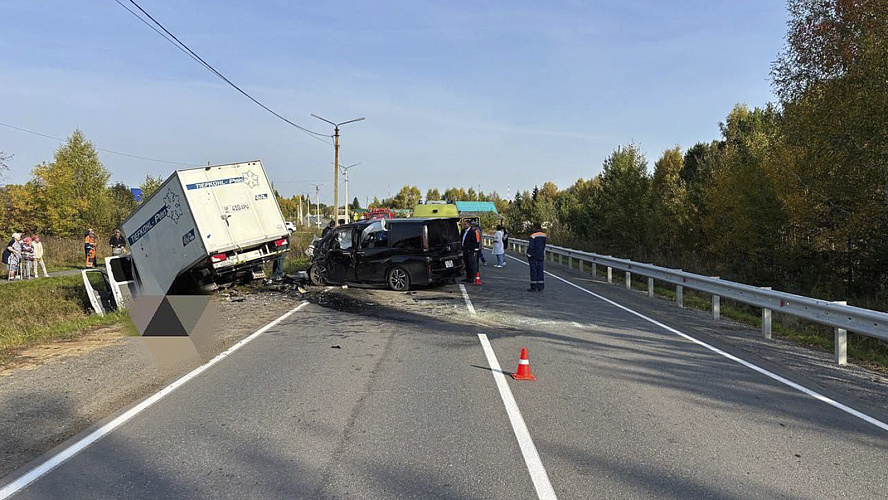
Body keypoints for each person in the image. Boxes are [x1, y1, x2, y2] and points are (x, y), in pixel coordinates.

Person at [526, 222, 547, 292]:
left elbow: (531, 246)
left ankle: (534, 286)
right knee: (540, 270)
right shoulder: (544, 235)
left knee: (534, 270)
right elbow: (544, 245)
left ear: (535, 227)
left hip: (533, 256)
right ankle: (540, 286)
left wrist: (529, 254)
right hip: (541, 255)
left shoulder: (533, 235)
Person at [460, 219, 479, 283]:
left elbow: (474, 242)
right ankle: (468, 277)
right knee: (466, 264)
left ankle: (472, 278)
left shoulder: (472, 232)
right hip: (464, 250)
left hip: (470, 250)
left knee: (471, 264)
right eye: (464, 224)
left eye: (465, 224)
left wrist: (471, 249)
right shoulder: (463, 231)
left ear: (469, 224)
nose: (464, 225)